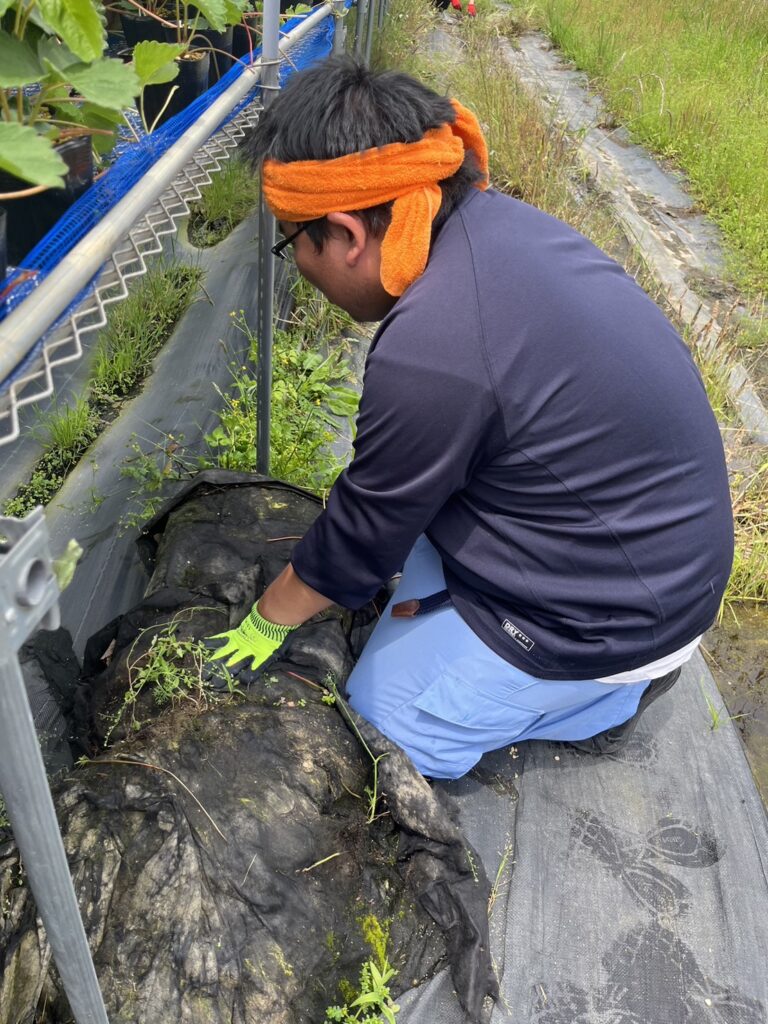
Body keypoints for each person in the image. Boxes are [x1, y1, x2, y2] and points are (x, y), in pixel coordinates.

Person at [206, 56, 733, 780]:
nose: (296, 261)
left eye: (291, 239)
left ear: (347, 234)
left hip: (617, 618)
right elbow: (382, 509)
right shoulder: (491, 227)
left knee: (380, 721)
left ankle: (600, 701)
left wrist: (268, 617)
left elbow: (362, 538)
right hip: (632, 549)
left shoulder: (435, 346)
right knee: (401, 588)